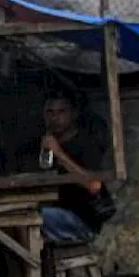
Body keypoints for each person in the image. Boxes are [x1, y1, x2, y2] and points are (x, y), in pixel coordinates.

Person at [40, 91, 114, 244]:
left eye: (61, 112)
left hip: (83, 221)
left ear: (74, 114)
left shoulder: (86, 144)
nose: (55, 118)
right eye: (50, 112)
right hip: (57, 215)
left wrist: (60, 154)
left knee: (34, 217)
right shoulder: (43, 145)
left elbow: (94, 185)